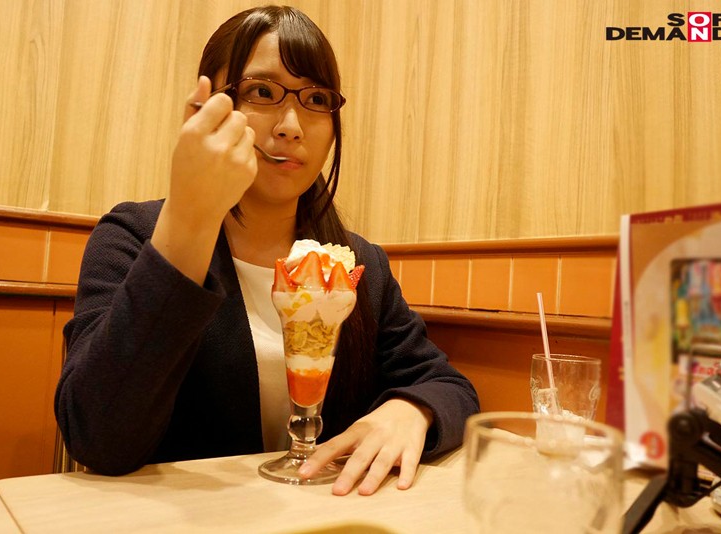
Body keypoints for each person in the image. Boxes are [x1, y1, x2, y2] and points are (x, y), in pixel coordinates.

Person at [55, 5, 479, 496]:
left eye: (316, 99)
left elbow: (447, 387)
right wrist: (190, 220)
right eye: (262, 92)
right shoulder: (133, 236)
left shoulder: (357, 265)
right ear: (210, 105)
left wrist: (411, 410)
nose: (292, 125)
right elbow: (99, 437)